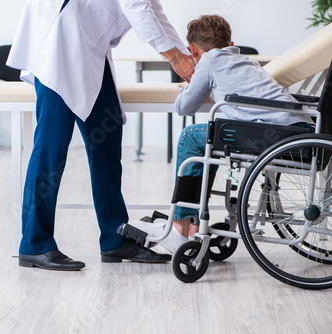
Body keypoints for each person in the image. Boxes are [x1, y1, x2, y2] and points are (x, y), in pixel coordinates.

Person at [6, 0, 195, 271]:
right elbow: (136, 7)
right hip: (60, 43)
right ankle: (34, 244)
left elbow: (154, 10)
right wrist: (177, 59)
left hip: (87, 46)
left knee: (106, 139)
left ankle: (114, 237)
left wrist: (190, 58)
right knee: (51, 146)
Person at [124, 14, 313, 252]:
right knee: (210, 137)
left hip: (273, 135)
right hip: (301, 130)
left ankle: (180, 226)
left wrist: (190, 86)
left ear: (193, 51)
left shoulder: (208, 61)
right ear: (232, 45)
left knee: (191, 136)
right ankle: (193, 225)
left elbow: (184, 107)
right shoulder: (246, 61)